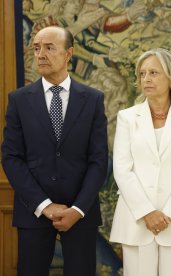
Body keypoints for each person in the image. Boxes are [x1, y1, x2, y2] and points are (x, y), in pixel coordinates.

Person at [1, 26, 108, 276]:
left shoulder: (93, 99)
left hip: (80, 214)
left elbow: (98, 160)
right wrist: (45, 205)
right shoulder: (18, 100)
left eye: (49, 48)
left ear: (68, 53)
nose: (40, 54)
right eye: (37, 48)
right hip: (34, 212)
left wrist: (78, 209)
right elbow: (11, 157)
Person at [109, 48, 171, 276]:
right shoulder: (127, 118)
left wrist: (168, 214)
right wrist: (147, 212)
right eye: (142, 74)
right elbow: (122, 170)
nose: (146, 79)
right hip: (137, 221)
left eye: (153, 73)